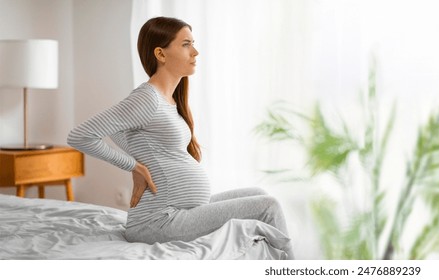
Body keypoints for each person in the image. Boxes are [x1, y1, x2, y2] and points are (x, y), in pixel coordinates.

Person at [67, 16, 293, 259]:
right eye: (186, 44)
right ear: (161, 54)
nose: (195, 52)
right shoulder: (147, 98)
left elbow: (120, 129)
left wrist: (139, 158)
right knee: (268, 207)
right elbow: (80, 136)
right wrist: (134, 165)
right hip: (158, 221)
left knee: (259, 194)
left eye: (193, 43)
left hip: (180, 211)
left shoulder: (169, 99)